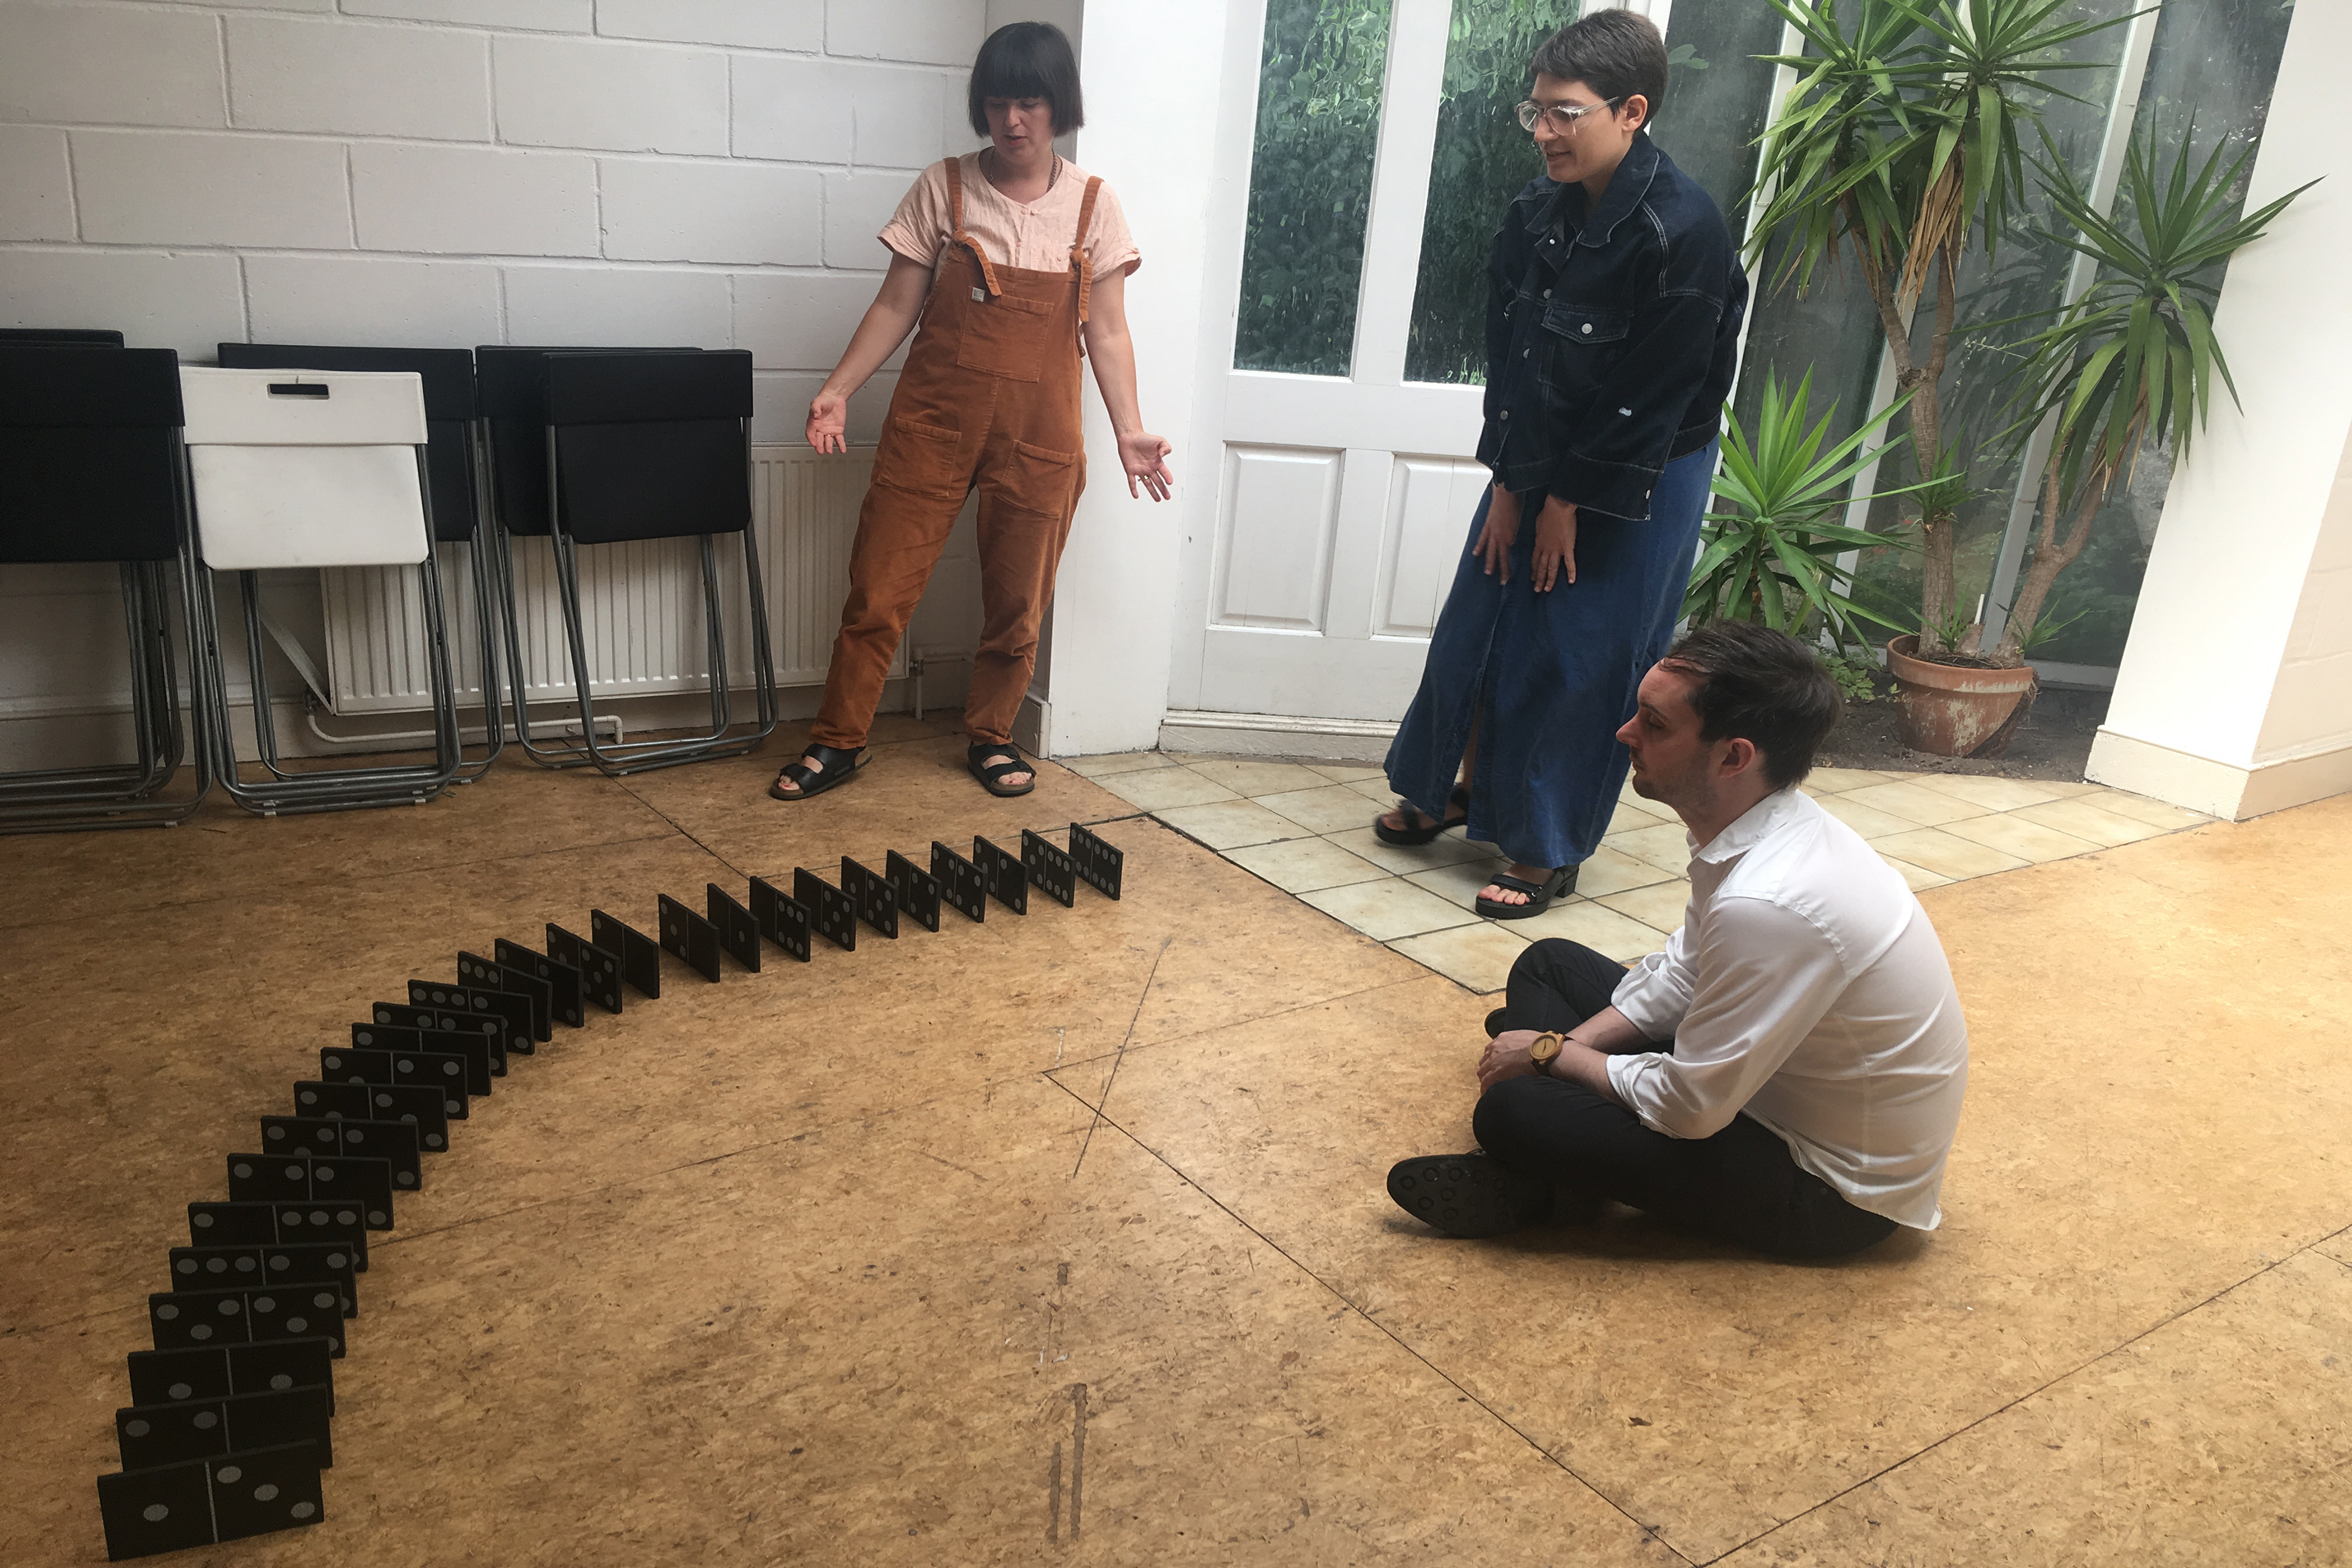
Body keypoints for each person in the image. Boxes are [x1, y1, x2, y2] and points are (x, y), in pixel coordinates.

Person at [1385, 622, 1970, 1259]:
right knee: (1549, 965)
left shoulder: (1772, 901)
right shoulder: (1767, 826)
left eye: (1653, 724)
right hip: (1766, 1085)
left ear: (1733, 757)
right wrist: (1564, 1051)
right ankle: (1558, 1163)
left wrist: (1551, 1056)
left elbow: (1692, 1108)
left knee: (1513, 1114)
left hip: (1830, 1192)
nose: (1624, 733)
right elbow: (1684, 973)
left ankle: (1539, 1182)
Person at [1375, 11, 1748, 918]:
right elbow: (1513, 362)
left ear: (1631, 111)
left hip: (1639, 478)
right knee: (1483, 618)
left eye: (1564, 114)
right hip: (1535, 450)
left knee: (1583, 655)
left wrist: (1568, 501)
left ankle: (1545, 846)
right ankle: (1459, 788)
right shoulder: (1536, 213)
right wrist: (1513, 486)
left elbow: (1655, 394)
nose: (1543, 132)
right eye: (1535, 111)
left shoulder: (1682, 229)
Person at [771, 22, 1173, 804]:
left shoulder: (1095, 206)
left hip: (1042, 437)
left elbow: (1109, 330)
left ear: (1061, 107)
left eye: (1030, 103)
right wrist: (839, 387)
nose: (1013, 121)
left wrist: (1130, 429)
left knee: (1019, 598)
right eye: (998, 103)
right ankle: (839, 738)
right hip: (932, 426)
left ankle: (991, 734)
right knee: (879, 589)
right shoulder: (944, 187)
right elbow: (896, 303)